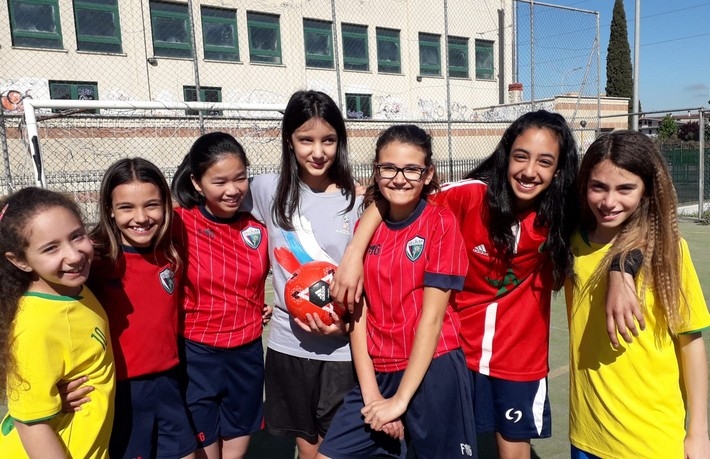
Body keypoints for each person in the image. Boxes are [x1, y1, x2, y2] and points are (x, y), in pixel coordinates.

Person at [332, 110, 580, 458]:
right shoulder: (470, 195)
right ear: (506, 155)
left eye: (545, 161)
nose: (529, 170)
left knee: (512, 448)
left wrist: (621, 270)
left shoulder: (564, 214)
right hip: (459, 348)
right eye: (521, 156)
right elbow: (398, 195)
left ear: (559, 169)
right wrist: (354, 252)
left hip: (519, 357)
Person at [317, 125, 476, 458]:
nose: (400, 179)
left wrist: (400, 401)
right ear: (376, 171)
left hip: (432, 369)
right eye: (389, 168)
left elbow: (432, 320)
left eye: (412, 169)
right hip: (378, 372)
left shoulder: (440, 223)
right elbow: (358, 314)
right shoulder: (365, 227)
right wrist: (373, 396)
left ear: (428, 174)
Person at [566, 130, 710, 459]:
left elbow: (691, 344)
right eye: (598, 187)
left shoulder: (668, 251)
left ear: (647, 189)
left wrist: (699, 433)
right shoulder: (573, 242)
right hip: (586, 434)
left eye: (625, 188)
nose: (609, 201)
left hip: (650, 439)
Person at [240, 90, 361, 458]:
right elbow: (213, 199)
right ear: (289, 141)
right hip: (288, 347)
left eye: (328, 140)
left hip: (344, 350)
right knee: (308, 449)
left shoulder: (358, 201)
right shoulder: (266, 189)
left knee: (337, 450)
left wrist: (347, 326)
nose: (318, 151)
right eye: (306, 140)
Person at [171, 132, 271, 459]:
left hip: (248, 352)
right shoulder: (177, 223)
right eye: (219, 182)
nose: (232, 190)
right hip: (197, 354)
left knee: (236, 451)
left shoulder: (260, 225)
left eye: (240, 178)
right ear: (197, 183)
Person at [87, 158, 197, 459]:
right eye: (126, 207)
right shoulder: (94, 262)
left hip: (171, 381)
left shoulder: (172, 253)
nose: (141, 217)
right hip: (122, 390)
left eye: (151, 205)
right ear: (109, 209)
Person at [0, 187, 115, 458]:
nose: (74, 255)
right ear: (20, 261)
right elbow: (31, 425)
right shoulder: (35, 327)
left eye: (77, 236)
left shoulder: (71, 289)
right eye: (51, 248)